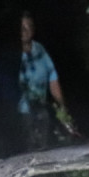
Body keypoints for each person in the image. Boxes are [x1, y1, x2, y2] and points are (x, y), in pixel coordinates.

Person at [15, 11, 76, 150]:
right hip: (21, 114)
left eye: (29, 26)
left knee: (45, 148)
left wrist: (62, 108)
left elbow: (53, 79)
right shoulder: (11, 54)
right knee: (27, 151)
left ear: (33, 30)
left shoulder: (39, 49)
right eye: (21, 26)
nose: (25, 30)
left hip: (42, 112)